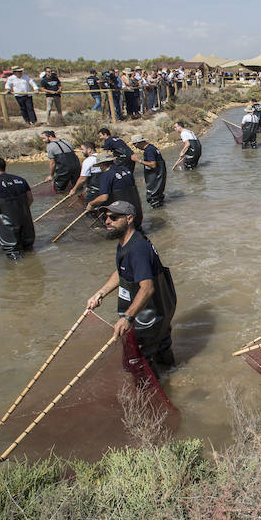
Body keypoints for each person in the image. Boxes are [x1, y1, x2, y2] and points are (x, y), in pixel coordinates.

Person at [86, 201, 176, 375]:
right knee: (163, 353)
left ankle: (152, 397)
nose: (107, 221)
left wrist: (127, 318)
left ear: (129, 219)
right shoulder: (125, 243)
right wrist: (101, 293)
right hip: (161, 311)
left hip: (149, 317)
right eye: (106, 217)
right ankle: (173, 378)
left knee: (140, 363)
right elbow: (123, 272)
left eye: (113, 217)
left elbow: (147, 288)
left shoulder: (137, 249)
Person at [0, 156, 34, 259]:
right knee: (28, 249)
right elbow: (30, 199)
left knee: (13, 253)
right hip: (26, 221)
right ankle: (33, 270)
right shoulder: (20, 180)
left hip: (8, 225)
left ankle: (17, 274)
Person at [86, 153, 144, 230]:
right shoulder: (126, 170)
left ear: (102, 164)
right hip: (136, 212)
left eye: (100, 166)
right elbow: (135, 189)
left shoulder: (106, 175)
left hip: (122, 216)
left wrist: (91, 204)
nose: (100, 168)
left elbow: (103, 197)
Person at [130, 135, 166, 209]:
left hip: (156, 177)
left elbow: (153, 165)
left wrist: (138, 160)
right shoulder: (151, 148)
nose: (135, 147)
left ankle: (158, 217)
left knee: (153, 199)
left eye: (135, 145)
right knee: (158, 198)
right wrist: (146, 177)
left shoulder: (149, 150)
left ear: (139, 143)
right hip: (157, 176)